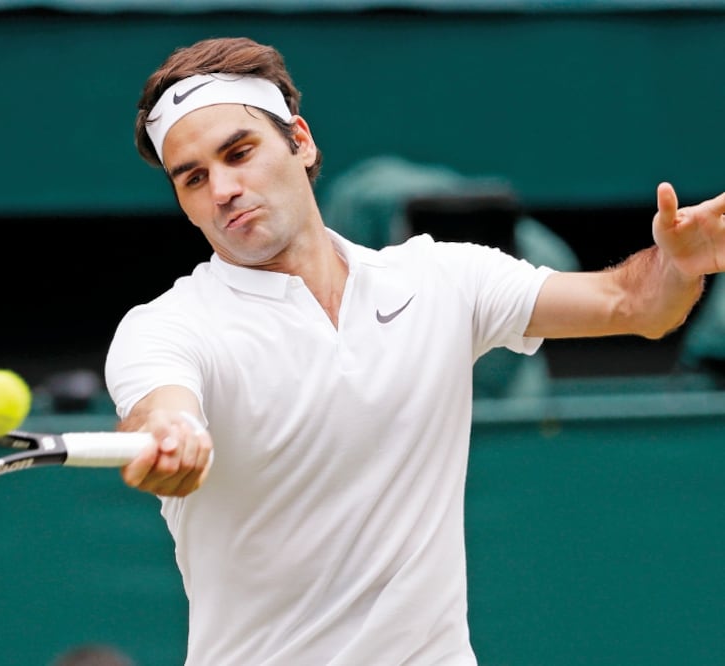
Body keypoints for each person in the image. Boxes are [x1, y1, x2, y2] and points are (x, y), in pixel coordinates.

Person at [103, 36, 725, 665]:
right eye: (194, 178)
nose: (224, 190)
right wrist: (173, 434)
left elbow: (634, 304)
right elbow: (161, 407)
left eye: (240, 152)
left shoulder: (441, 278)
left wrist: (678, 265)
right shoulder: (166, 327)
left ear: (301, 139)